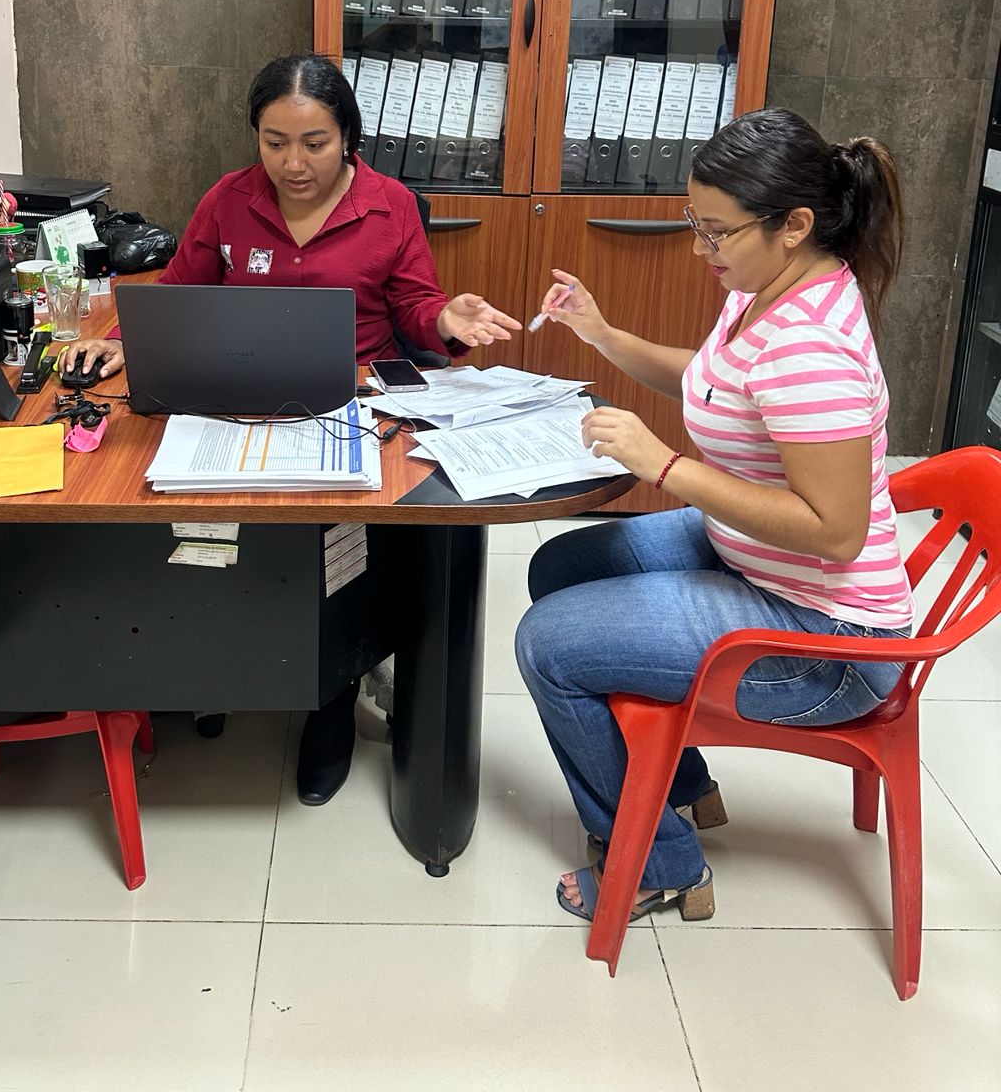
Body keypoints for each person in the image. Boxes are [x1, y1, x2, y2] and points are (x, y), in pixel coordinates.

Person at [67, 53, 520, 804]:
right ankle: (224, 666)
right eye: (275, 142)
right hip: (234, 399)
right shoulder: (227, 200)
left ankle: (329, 700)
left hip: (348, 405)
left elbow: (414, 308)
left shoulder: (389, 206)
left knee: (332, 547)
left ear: (348, 137)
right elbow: (178, 294)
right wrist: (123, 342)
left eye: (314, 143)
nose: (293, 163)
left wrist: (443, 317)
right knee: (188, 523)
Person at [514, 107, 911, 927]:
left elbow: (836, 531)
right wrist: (601, 333)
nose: (702, 250)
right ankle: (682, 783)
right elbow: (715, 379)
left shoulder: (810, 348)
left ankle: (662, 864)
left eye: (717, 232)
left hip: (826, 642)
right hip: (759, 563)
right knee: (560, 567)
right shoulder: (766, 286)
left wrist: (664, 466)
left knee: (547, 644)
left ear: (793, 225)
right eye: (697, 224)